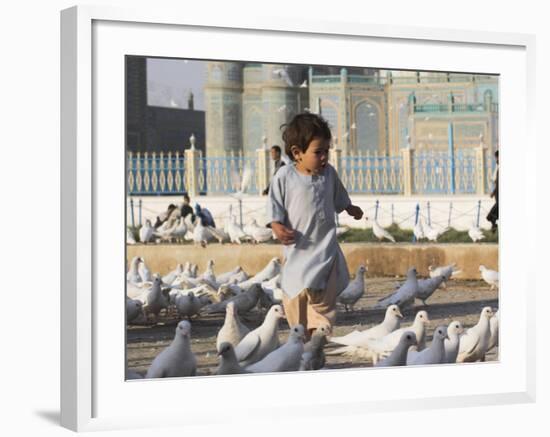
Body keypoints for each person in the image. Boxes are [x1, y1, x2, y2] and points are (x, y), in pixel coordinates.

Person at [266, 113, 364, 338]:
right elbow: (274, 205)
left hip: (325, 252)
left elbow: (339, 196)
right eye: (318, 152)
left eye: (326, 151)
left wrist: (350, 208)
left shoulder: (329, 174)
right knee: (295, 300)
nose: (324, 157)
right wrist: (276, 225)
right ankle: (301, 339)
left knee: (324, 305)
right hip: (298, 253)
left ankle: (317, 338)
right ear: (297, 153)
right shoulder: (284, 177)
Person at [486, 149, 499, 232]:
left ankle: (494, 225)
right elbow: (496, 182)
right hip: (497, 195)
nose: (496, 160)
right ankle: (494, 225)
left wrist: (493, 192)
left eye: (497, 158)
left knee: (490, 216)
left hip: (499, 196)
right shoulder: (498, 168)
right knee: (493, 216)